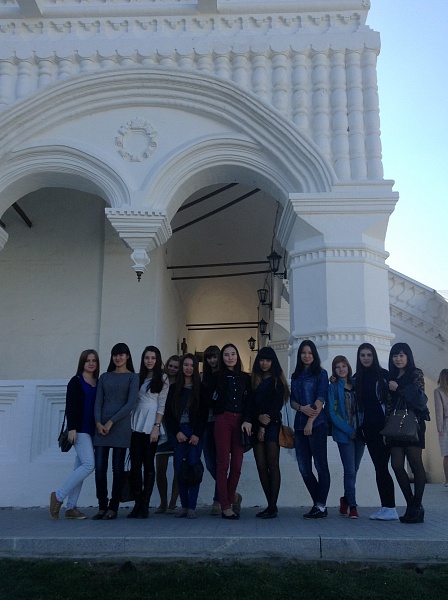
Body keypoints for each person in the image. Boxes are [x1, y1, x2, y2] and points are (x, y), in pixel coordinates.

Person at [50, 350, 99, 520]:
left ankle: (71, 507)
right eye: (87, 360)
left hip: (93, 431)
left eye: (94, 361)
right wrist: (72, 428)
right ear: (82, 363)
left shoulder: (98, 382)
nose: (91, 363)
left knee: (80, 468)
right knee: (89, 465)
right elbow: (70, 405)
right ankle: (58, 496)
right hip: (79, 430)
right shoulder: (76, 381)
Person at [93, 343, 139, 520]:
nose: (118, 358)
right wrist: (98, 423)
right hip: (101, 428)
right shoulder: (104, 377)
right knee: (99, 469)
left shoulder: (133, 377)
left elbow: (131, 404)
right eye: (115, 355)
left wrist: (111, 422)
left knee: (117, 469)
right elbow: (98, 401)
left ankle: (113, 507)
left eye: (121, 355)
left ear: (127, 356)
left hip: (120, 426)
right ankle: (102, 506)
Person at [354, 343, 397, 521]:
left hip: (384, 428)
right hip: (368, 429)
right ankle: (386, 507)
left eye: (369, 355)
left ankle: (391, 507)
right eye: (363, 355)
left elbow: (392, 400)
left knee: (383, 467)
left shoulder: (384, 375)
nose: (366, 358)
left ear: (374, 356)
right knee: (379, 468)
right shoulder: (357, 378)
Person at [388, 342, 429, 523]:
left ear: (408, 357)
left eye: (401, 355)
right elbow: (389, 404)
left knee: (415, 463)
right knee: (397, 465)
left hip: (413, 423)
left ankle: (417, 505)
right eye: (395, 355)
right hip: (395, 425)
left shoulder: (415, 373)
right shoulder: (391, 376)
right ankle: (411, 504)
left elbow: (419, 399)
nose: (398, 359)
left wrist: (398, 389)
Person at [210, 343, 252, 519]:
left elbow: (249, 401)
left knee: (237, 466)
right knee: (223, 464)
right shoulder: (216, 377)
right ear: (222, 358)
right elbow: (209, 399)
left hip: (241, 422)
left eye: (233, 354)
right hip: (223, 420)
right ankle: (226, 506)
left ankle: (227, 500)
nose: (230, 357)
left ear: (237, 356)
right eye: (226, 354)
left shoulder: (245, 377)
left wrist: (248, 419)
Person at [164, 353, 209, 518]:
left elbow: (204, 414)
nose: (189, 368)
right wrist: (176, 432)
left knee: (193, 467)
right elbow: (169, 414)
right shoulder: (174, 389)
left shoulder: (201, 389)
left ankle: (192, 507)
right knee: (180, 469)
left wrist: (197, 434)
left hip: (195, 433)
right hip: (179, 433)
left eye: (192, 365)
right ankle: (183, 506)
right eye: (186, 365)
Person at [128, 346, 169, 519]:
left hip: (152, 422)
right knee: (135, 465)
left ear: (157, 360)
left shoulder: (163, 378)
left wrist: (156, 427)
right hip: (136, 421)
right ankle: (137, 502)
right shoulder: (138, 377)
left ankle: (145, 504)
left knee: (148, 464)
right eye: (147, 357)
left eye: (153, 358)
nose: (150, 361)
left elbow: (162, 405)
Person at [290, 340, 330, 519]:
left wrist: (310, 422)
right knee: (304, 468)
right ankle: (319, 505)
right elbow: (292, 401)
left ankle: (320, 505)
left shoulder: (321, 374)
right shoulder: (296, 376)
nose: (306, 356)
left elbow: (320, 399)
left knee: (321, 466)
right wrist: (301, 409)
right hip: (299, 426)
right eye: (303, 353)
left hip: (317, 425)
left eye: (310, 353)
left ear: (314, 355)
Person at [251, 346, 289, 519]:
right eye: (262, 360)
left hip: (272, 426)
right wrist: (258, 419)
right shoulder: (254, 381)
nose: (264, 363)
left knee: (273, 465)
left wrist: (263, 425)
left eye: (268, 360)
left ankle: (273, 506)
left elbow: (275, 406)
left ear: (273, 362)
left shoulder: (277, 381)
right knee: (261, 466)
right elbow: (249, 404)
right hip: (256, 425)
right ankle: (270, 504)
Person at [327, 355, 364, 519]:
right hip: (345, 434)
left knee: (354, 470)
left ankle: (345, 499)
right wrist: (349, 430)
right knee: (349, 471)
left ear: (348, 367)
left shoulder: (356, 384)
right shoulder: (333, 387)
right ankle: (353, 506)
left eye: (343, 366)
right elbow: (332, 413)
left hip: (360, 433)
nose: (341, 369)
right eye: (338, 367)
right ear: (334, 370)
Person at [155, 355, 181, 514]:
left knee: (178, 468)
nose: (172, 369)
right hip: (160, 427)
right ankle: (163, 502)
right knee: (160, 469)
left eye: (176, 367)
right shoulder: (160, 381)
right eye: (170, 365)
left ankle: (173, 502)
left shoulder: (181, 384)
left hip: (176, 428)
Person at [201, 345, 221, 515]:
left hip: (221, 422)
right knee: (209, 463)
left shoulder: (225, 376)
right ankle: (232, 494)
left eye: (215, 357)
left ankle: (218, 499)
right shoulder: (203, 378)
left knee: (220, 463)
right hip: (206, 422)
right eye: (209, 357)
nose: (212, 360)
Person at [434, 369, 448, 486]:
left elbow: (439, 411)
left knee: (446, 454)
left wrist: (439, 428)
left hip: (446, 422)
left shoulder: (438, 391)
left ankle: (447, 480)